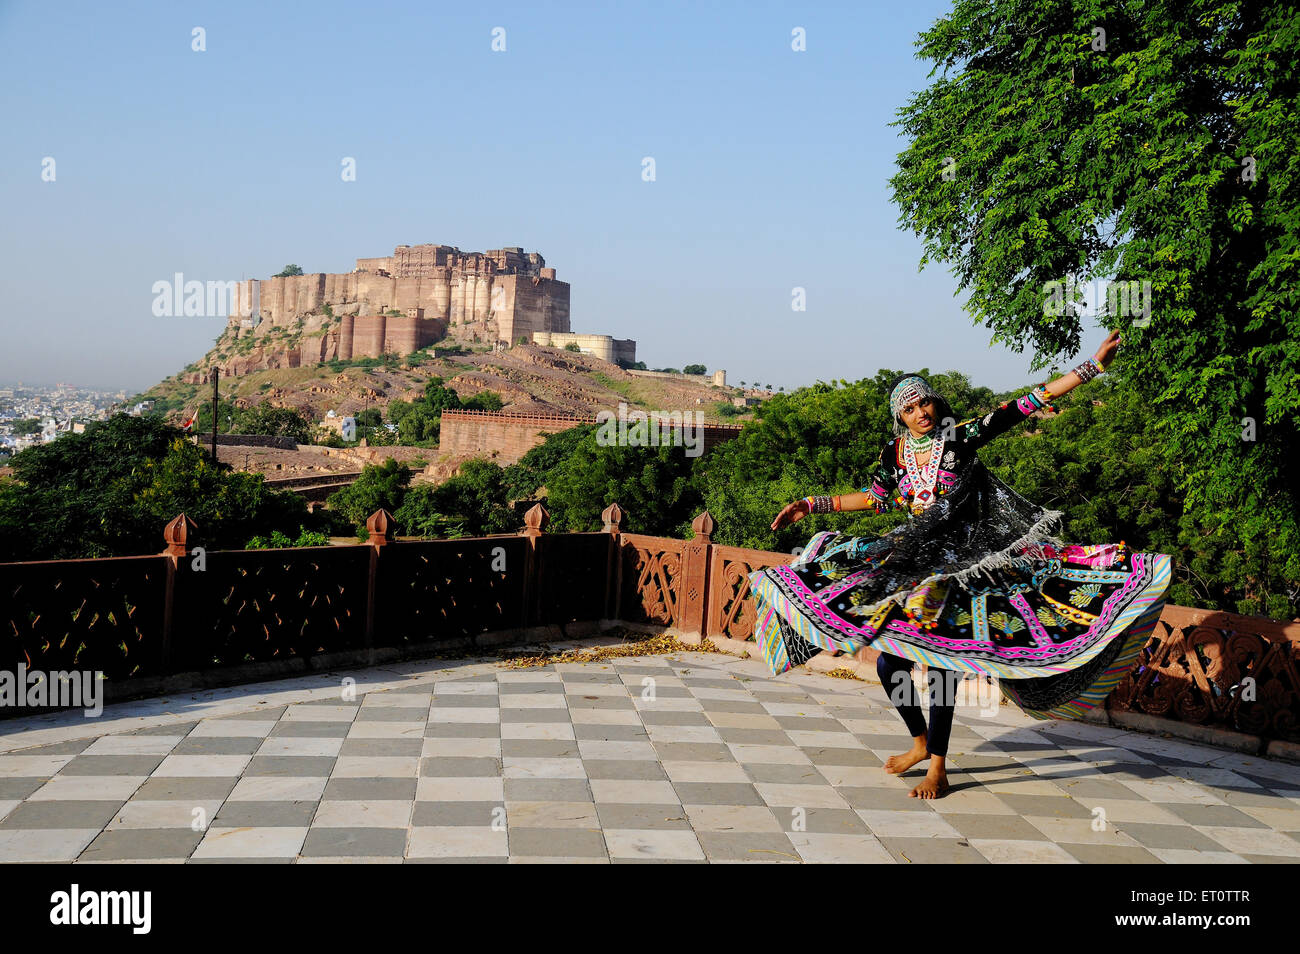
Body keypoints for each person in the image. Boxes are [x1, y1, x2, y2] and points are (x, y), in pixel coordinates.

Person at [749, 331, 1171, 799]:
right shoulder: (895, 454)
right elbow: (873, 497)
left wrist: (1092, 366)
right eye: (909, 409)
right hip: (912, 562)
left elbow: (1023, 405)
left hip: (960, 568)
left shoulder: (958, 436)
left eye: (924, 403)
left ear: (935, 403)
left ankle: (939, 766)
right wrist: (811, 504)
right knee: (891, 664)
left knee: (940, 664)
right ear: (900, 418)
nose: (920, 413)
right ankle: (919, 742)